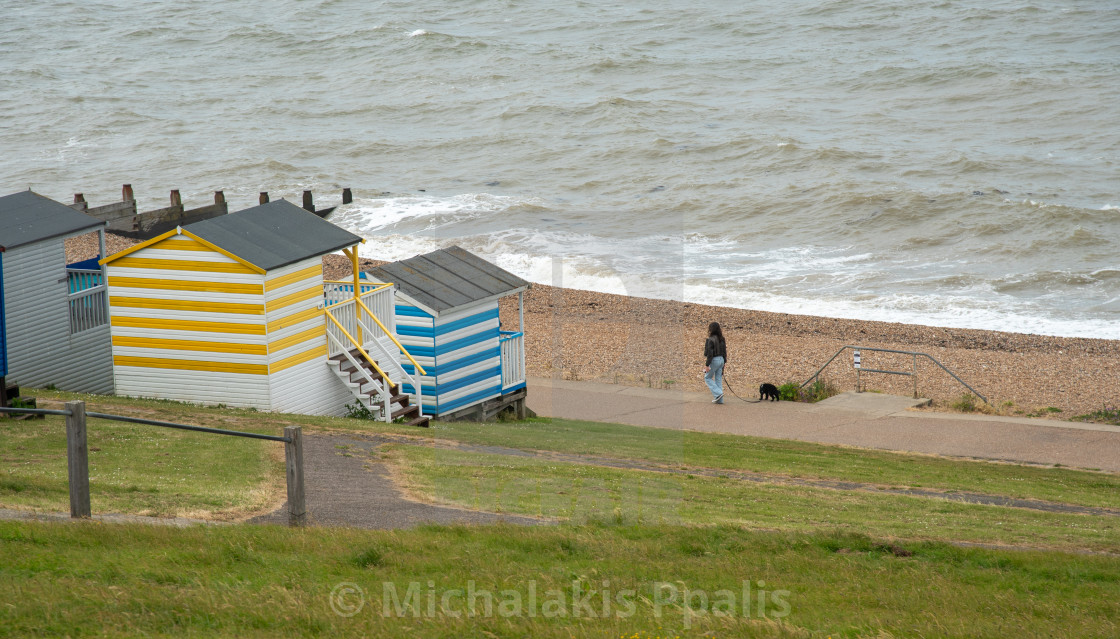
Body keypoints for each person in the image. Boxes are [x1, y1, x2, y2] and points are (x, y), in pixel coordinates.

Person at [703, 321, 728, 404]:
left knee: (707, 378)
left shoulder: (710, 339)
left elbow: (710, 354)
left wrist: (707, 365)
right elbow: (724, 351)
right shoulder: (722, 339)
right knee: (718, 379)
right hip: (721, 360)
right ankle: (720, 400)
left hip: (715, 360)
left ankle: (718, 393)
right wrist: (724, 362)